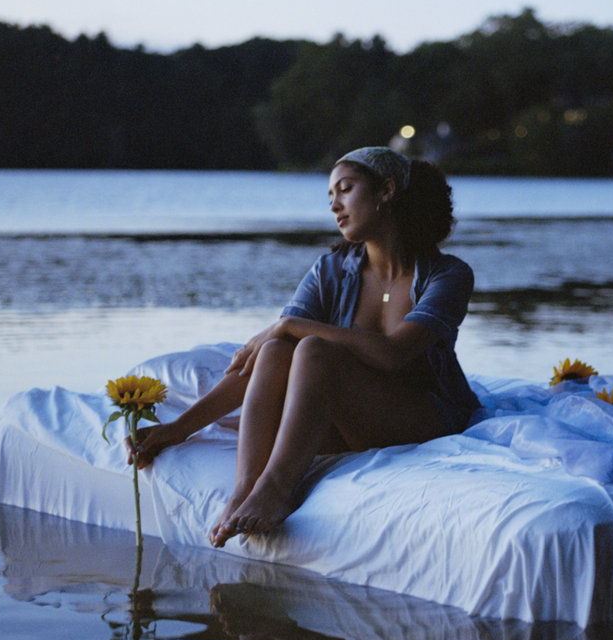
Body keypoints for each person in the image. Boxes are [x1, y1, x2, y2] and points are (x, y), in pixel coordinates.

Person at [128, 147, 479, 548]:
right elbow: (264, 358)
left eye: (345, 189)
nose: (335, 206)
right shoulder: (331, 270)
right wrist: (177, 429)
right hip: (349, 420)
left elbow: (393, 352)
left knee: (311, 349)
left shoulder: (448, 274)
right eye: (330, 196)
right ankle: (246, 488)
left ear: (386, 191)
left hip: (420, 416)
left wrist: (289, 324)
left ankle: (277, 488)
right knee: (277, 351)